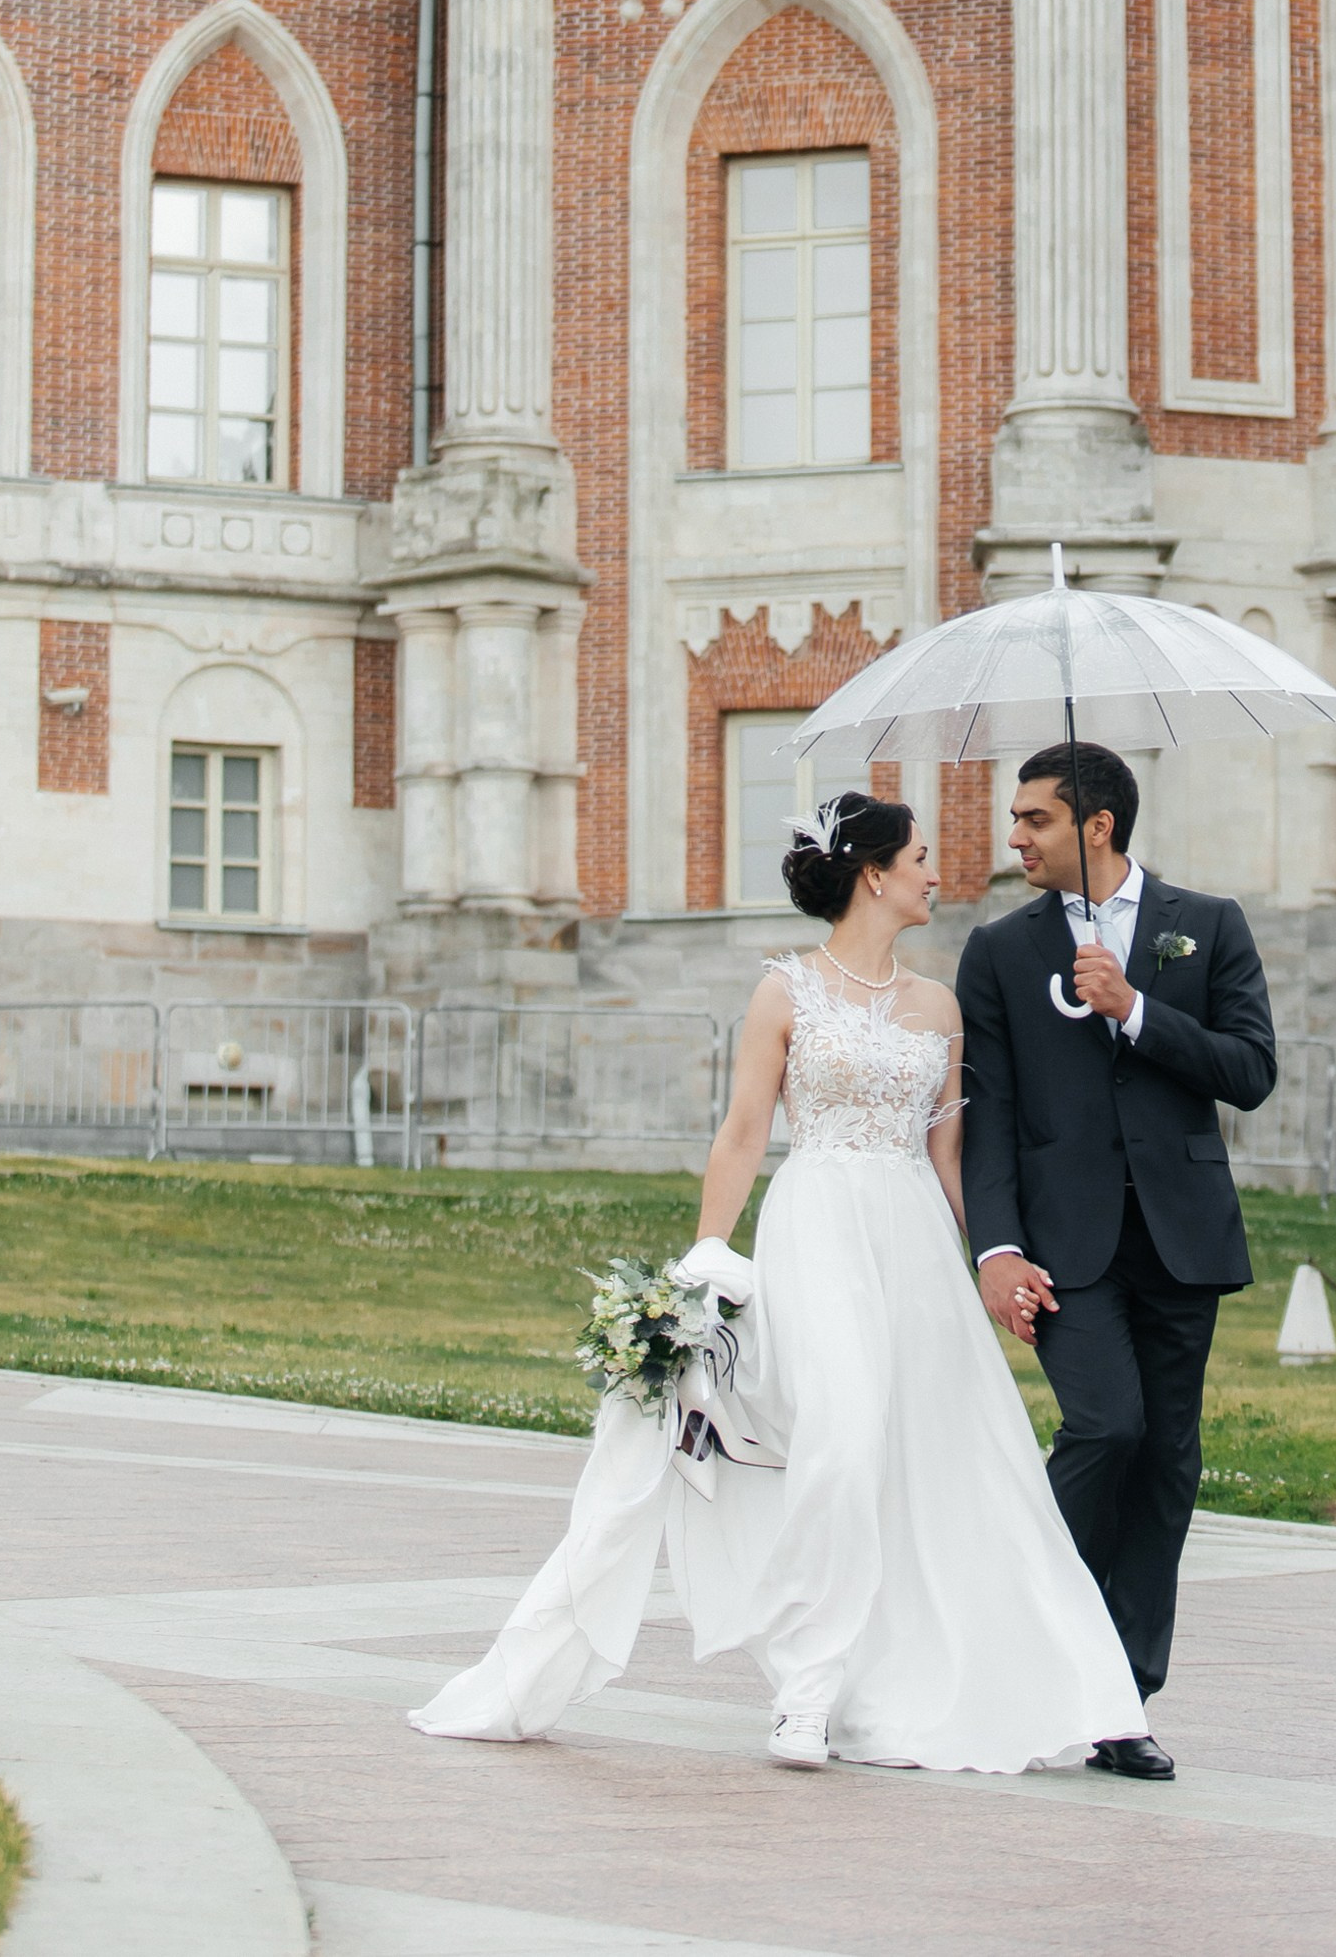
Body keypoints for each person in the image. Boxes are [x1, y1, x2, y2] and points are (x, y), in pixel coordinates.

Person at [411, 789, 1142, 1776]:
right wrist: (704, 1261)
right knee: (838, 1444)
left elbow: (949, 1153)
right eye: (921, 856)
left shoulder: (939, 1005)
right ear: (873, 872)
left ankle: (1056, 1686)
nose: (937, 872)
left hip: (913, 1242)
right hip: (820, 1222)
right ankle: (804, 1690)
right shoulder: (783, 990)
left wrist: (987, 1260)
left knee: (948, 1458)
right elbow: (744, 1131)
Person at [955, 743, 1278, 1784]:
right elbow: (989, 1113)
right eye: (1015, 818)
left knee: (1166, 1465)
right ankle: (1011, 1619)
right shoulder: (998, 950)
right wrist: (995, 1247)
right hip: (1063, 1247)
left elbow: (1249, 1070)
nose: (1016, 837)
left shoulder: (1209, 922)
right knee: (1106, 1426)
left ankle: (1118, 1698)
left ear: (1097, 824)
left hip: (1182, 1238)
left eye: (1034, 819)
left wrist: (1134, 1010)